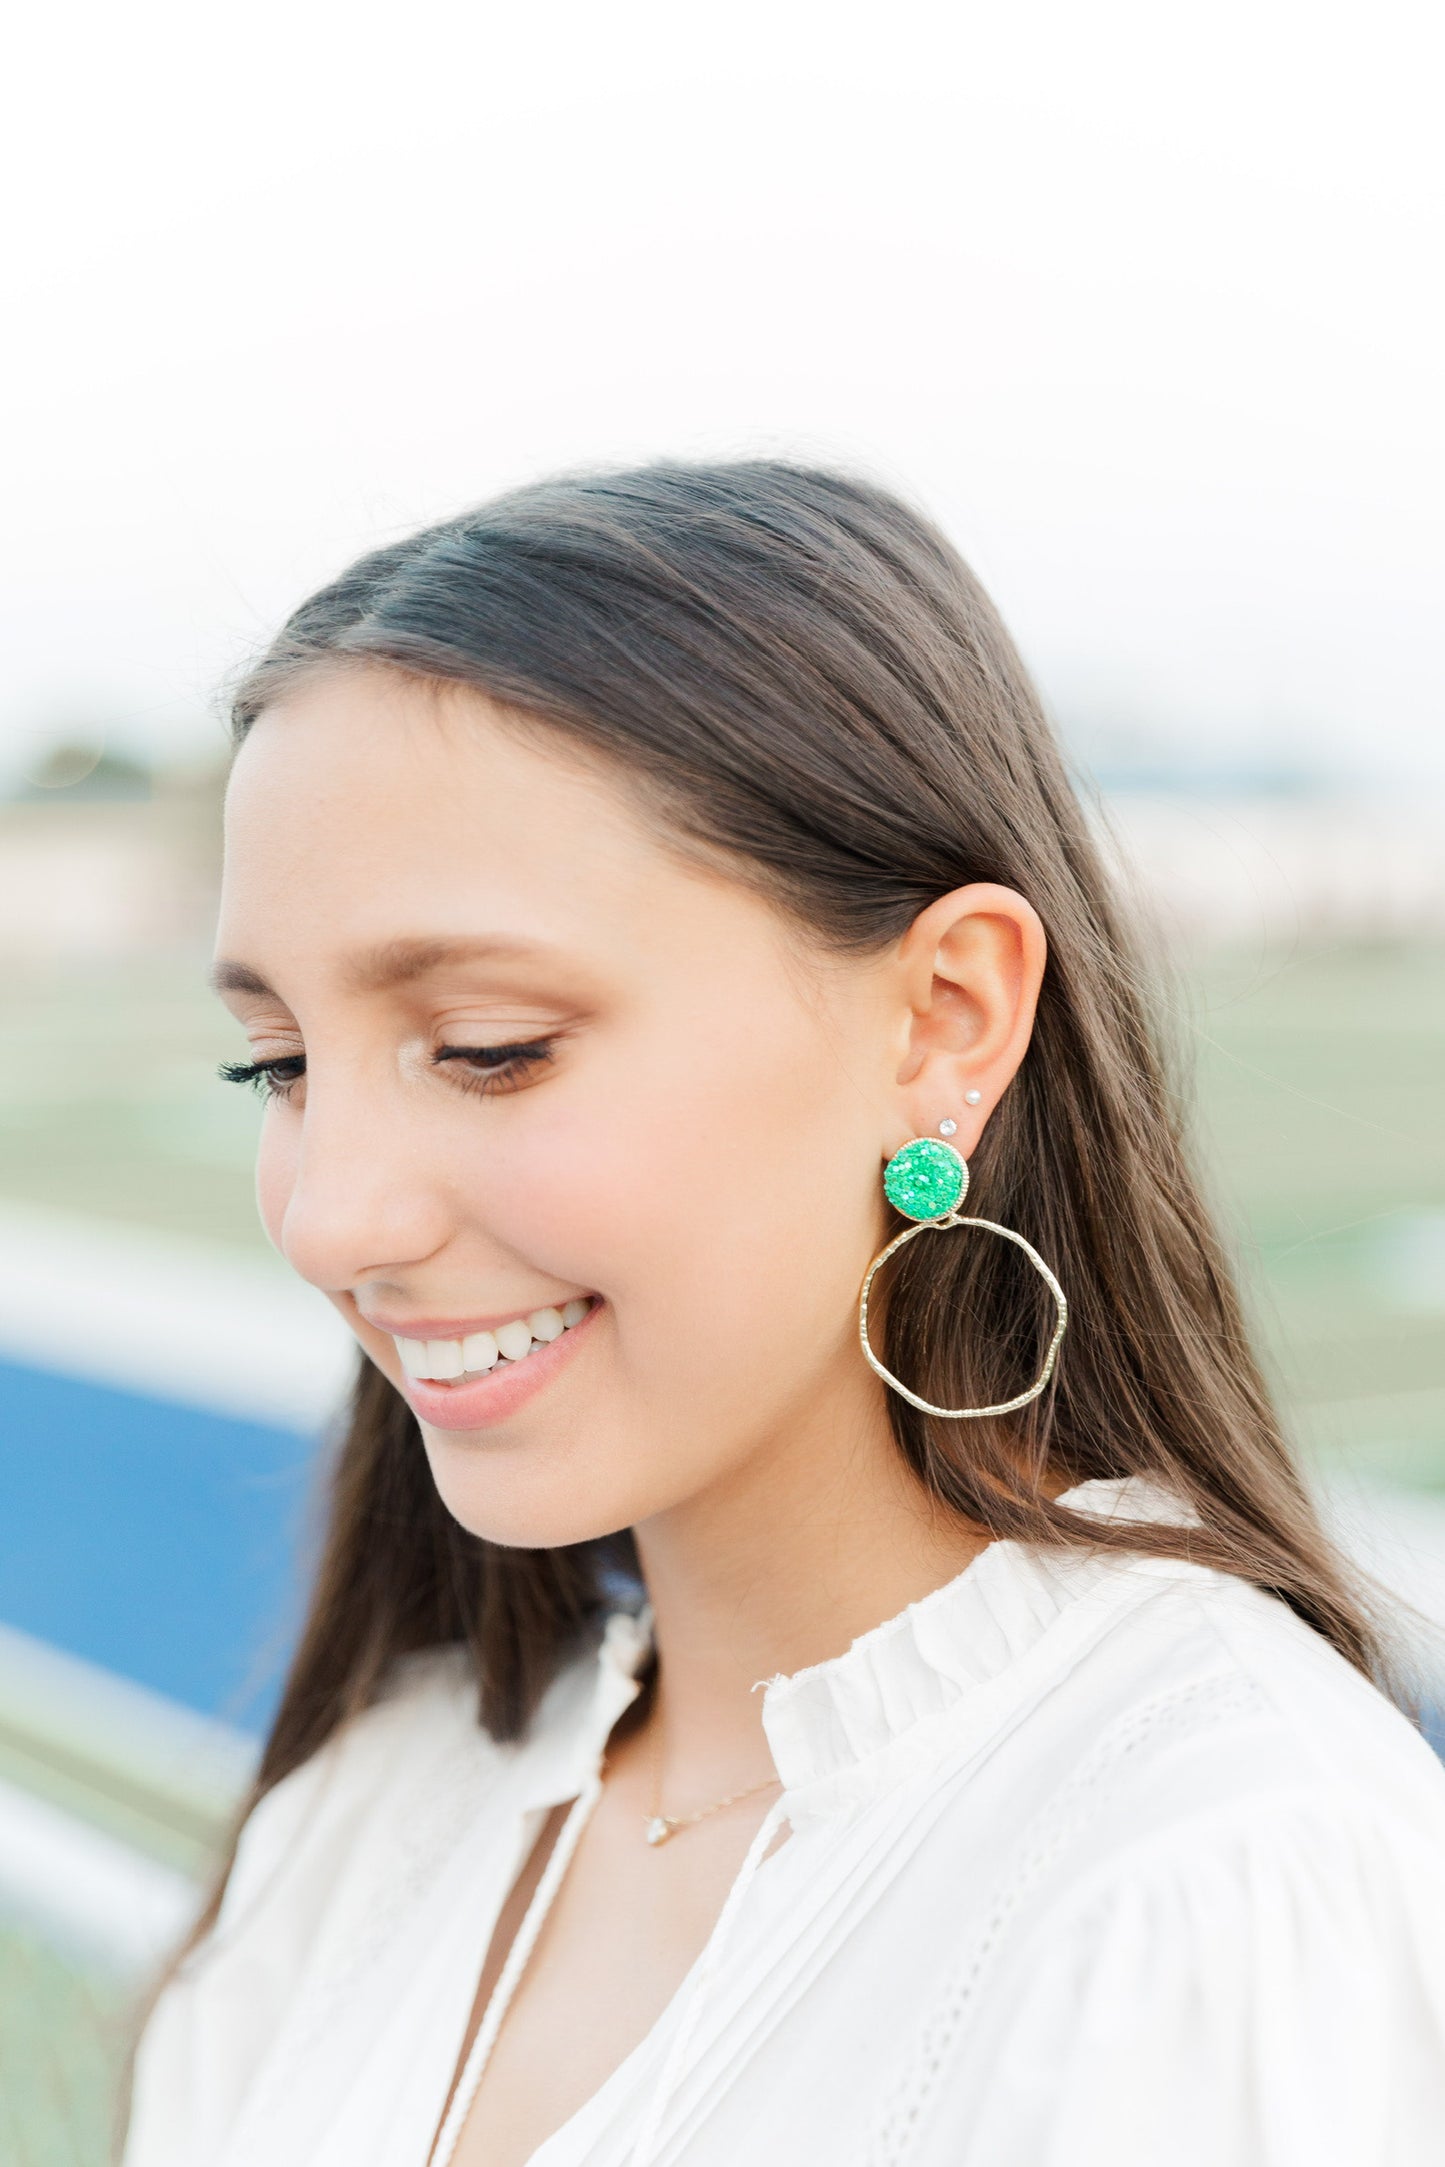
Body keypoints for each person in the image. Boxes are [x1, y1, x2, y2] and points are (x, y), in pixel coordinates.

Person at [123, 460, 1445, 2167]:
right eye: (280, 1066)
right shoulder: (375, 1809)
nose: (332, 1216)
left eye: (490, 1047)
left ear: (945, 1023)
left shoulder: (1213, 1884)